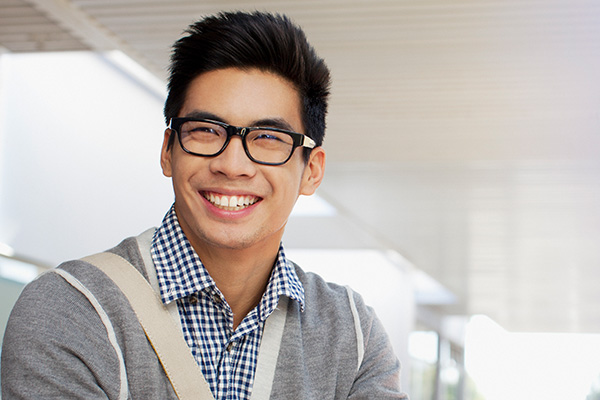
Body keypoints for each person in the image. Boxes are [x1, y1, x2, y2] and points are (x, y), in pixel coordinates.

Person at [1, 11, 408, 400]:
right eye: (206, 131)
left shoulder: (352, 334)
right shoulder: (72, 310)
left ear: (311, 171)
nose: (233, 165)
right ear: (167, 150)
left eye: (268, 137)